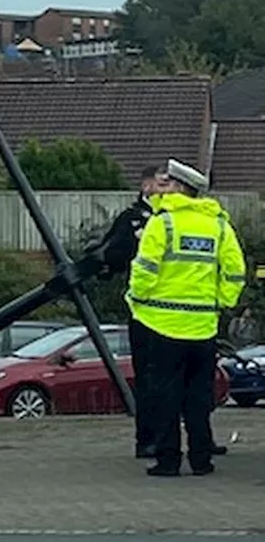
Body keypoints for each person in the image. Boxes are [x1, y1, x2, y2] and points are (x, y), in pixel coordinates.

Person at [127, 159, 246, 477]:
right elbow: (235, 271)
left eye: (168, 184)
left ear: (180, 188)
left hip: (161, 325)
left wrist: (137, 299)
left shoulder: (162, 223)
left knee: (165, 396)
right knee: (198, 396)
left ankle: (168, 461)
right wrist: (221, 302)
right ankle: (201, 459)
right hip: (203, 327)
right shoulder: (219, 224)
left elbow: (145, 268)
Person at [82, 164, 168, 458]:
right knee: (148, 377)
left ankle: (188, 437)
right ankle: (148, 439)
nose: (167, 188)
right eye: (162, 183)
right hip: (145, 312)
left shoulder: (175, 220)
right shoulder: (132, 219)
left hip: (179, 313)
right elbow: (110, 253)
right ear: (146, 186)